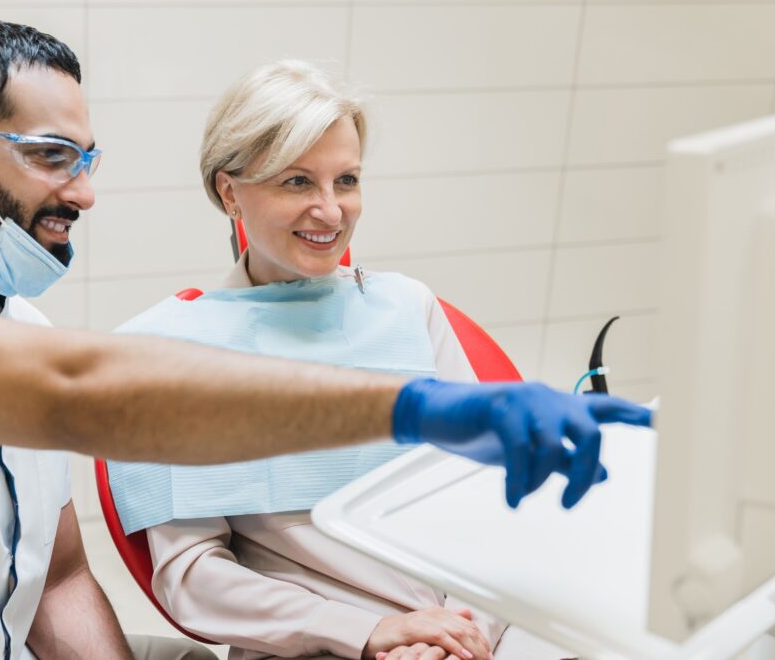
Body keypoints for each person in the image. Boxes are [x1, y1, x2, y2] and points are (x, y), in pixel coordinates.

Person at [0, 23, 649, 660]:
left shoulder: (20, 323)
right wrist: (421, 407)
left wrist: (465, 629)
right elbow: (74, 395)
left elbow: (62, 574)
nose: (83, 192)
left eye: (87, 159)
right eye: (49, 156)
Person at [106, 60, 582, 660]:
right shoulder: (164, 353)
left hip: (476, 629)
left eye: (347, 180)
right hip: (316, 644)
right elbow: (191, 577)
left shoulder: (408, 307)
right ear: (230, 191)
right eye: (297, 182)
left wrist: (464, 632)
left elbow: (489, 493)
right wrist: (366, 634)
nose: (331, 212)